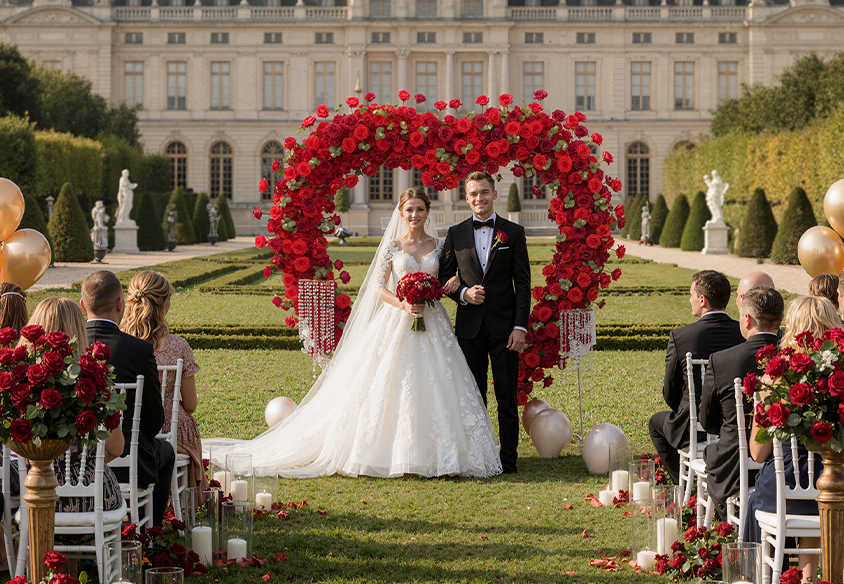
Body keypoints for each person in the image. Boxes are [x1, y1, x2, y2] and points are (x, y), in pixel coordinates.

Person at [205, 188, 502, 478]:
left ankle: (442, 452)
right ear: (401, 213)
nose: (414, 214)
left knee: (439, 383)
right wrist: (403, 302)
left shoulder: (440, 244)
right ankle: (388, 451)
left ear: (427, 212)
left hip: (433, 321)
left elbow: (451, 274)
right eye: (409, 209)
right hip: (398, 318)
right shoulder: (393, 246)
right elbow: (377, 287)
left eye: (420, 209)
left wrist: (447, 287)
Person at [438, 171, 531, 474]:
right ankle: (477, 459)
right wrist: (464, 293)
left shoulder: (513, 233)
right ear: (466, 198)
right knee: (472, 397)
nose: (479, 198)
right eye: (473, 194)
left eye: (484, 192)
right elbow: (441, 277)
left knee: (506, 397)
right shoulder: (456, 232)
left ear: (495, 194)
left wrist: (520, 327)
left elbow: (523, 284)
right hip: (469, 329)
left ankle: (509, 461)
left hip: (505, 329)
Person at [745, 295, 834, 583]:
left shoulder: (775, 378)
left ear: (791, 328)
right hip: (835, 485)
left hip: (784, 486)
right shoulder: (839, 375)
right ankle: (810, 578)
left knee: (753, 497)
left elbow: (757, 454)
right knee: (817, 511)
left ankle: (757, 573)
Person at [81, 271, 173, 526]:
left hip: (75, 464)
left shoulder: (70, 345)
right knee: (167, 452)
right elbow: (154, 423)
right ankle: (151, 530)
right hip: (130, 463)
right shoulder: (139, 350)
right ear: (120, 304)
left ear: (82, 305)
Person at [23, 297, 124, 518]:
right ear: (78, 329)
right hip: (92, 497)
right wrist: (85, 464)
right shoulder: (94, 378)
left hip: (33, 496)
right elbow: (116, 448)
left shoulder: (20, 379)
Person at [648, 270, 744, 484]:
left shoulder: (681, 337)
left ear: (702, 300)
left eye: (691, 295)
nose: (689, 300)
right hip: (735, 424)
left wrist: (689, 412)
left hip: (693, 428)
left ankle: (681, 484)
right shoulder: (743, 333)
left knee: (656, 423)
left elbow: (670, 391)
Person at [699, 286, 783, 521]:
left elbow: (708, 421)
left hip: (735, 458)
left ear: (746, 319)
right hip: (786, 461)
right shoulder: (794, 358)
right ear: (781, 319)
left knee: (710, 450)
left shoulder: (722, 360)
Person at [121, 271, 205, 491]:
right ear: (163, 305)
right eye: (169, 298)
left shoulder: (118, 344)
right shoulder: (179, 347)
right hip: (169, 428)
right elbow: (190, 404)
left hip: (124, 426)